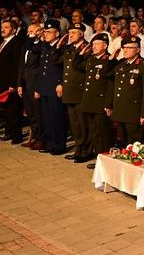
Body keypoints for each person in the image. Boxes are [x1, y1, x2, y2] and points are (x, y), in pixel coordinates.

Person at [107, 36, 144, 146]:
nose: (125, 50)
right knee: (123, 143)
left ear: (138, 50)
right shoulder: (121, 64)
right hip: (120, 110)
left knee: (135, 144)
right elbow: (107, 74)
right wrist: (111, 59)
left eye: (129, 47)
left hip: (134, 112)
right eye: (124, 47)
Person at [30, 19, 67, 155]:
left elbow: (64, 68)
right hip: (44, 86)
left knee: (56, 117)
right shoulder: (44, 46)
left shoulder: (62, 47)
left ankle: (59, 145)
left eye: (48, 32)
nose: (46, 34)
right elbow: (41, 68)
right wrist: (38, 88)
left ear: (57, 33)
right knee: (47, 117)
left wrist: (61, 83)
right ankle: (51, 143)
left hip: (55, 86)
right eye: (45, 31)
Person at [79, 33, 115, 169]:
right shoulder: (91, 59)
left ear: (105, 46)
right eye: (93, 44)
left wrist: (108, 104)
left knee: (104, 133)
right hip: (90, 102)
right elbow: (77, 65)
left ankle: (106, 161)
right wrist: (83, 51)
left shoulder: (109, 61)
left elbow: (110, 83)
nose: (93, 47)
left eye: (97, 44)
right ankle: (99, 159)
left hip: (101, 103)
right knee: (94, 132)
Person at [0, 19, 24, 144]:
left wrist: (14, 84)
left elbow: (17, 66)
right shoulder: (2, 42)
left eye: (6, 27)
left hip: (10, 83)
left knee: (13, 109)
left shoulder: (16, 43)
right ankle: (8, 133)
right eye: (2, 27)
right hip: (0, 82)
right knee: (6, 110)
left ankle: (16, 136)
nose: (2, 29)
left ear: (14, 30)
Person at [61, 23, 90, 163]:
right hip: (69, 91)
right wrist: (59, 44)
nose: (71, 35)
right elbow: (57, 61)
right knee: (74, 123)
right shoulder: (69, 48)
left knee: (83, 123)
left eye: (74, 32)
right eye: (69, 32)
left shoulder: (88, 48)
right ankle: (79, 148)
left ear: (82, 34)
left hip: (80, 91)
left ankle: (86, 150)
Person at [17, 24, 44, 148]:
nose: (29, 33)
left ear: (39, 31)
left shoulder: (41, 45)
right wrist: (19, 84)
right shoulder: (26, 45)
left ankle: (41, 138)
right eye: (28, 31)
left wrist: (39, 87)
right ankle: (34, 137)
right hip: (25, 83)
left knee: (38, 113)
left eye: (32, 31)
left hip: (35, 83)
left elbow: (40, 68)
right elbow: (21, 66)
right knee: (30, 112)